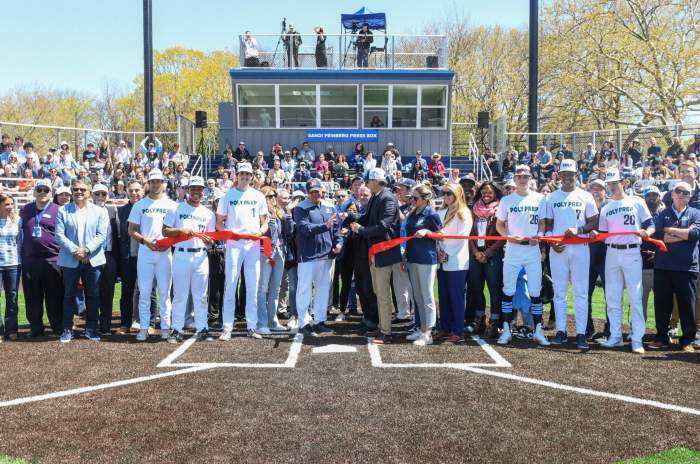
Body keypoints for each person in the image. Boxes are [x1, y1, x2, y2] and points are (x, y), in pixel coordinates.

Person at [594, 168, 654, 353]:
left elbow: (650, 224)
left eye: (615, 183)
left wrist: (647, 233)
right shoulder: (606, 208)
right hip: (611, 253)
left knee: (635, 297)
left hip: (631, 252)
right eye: (609, 184)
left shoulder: (637, 201)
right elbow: (604, 235)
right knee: (612, 296)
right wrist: (595, 235)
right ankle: (615, 336)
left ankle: (637, 338)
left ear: (623, 182)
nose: (612, 187)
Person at [542, 159, 599, 350]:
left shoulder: (586, 196)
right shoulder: (551, 198)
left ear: (576, 175)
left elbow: (594, 223)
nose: (567, 178)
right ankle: (561, 331)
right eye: (564, 174)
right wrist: (551, 240)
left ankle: (581, 334)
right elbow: (548, 225)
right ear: (559, 175)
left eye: (570, 174)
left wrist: (579, 229)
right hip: (558, 249)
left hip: (580, 247)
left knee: (581, 292)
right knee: (559, 293)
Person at [495, 165, 550, 346]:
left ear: (530, 178)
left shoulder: (540, 199)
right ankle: (506, 329)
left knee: (535, 291)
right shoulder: (507, 200)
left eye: (525, 176)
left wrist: (540, 236)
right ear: (515, 179)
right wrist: (508, 236)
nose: (522, 179)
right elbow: (499, 225)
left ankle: (538, 330)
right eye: (519, 176)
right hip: (512, 249)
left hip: (532, 250)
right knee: (508, 291)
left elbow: (542, 223)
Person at [348, 168, 402, 344]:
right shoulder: (377, 196)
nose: (365, 184)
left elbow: (384, 226)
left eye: (368, 181)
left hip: (385, 251)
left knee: (383, 293)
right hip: (376, 251)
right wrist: (353, 219)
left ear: (377, 181)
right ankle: (382, 327)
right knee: (379, 292)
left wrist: (361, 230)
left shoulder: (387, 198)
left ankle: (386, 331)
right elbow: (367, 218)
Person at [216, 163, 269, 340]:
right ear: (236, 175)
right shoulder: (227, 196)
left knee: (253, 287)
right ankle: (227, 326)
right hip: (234, 245)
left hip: (253, 245)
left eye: (248, 174)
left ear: (252, 176)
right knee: (230, 284)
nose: (245, 177)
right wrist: (231, 234)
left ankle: (251, 326)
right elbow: (218, 223)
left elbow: (265, 223)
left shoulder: (259, 196)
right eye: (242, 174)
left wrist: (260, 232)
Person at [162, 176, 216, 343]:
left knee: (201, 295)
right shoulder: (176, 209)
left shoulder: (208, 213)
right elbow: (164, 231)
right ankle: (176, 329)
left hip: (200, 255)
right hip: (181, 254)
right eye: (193, 189)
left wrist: (209, 241)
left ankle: (202, 328)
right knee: (180, 295)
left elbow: (212, 239)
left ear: (203, 191)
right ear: (187, 190)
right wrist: (179, 230)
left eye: (199, 189)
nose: (196, 192)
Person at [648, 181, 700, 352]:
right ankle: (661, 337)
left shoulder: (696, 213)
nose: (682, 195)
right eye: (679, 191)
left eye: (686, 192)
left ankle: (687, 340)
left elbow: (694, 234)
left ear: (690, 196)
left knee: (687, 305)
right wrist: (683, 234)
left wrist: (672, 231)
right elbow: (659, 234)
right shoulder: (663, 213)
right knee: (662, 304)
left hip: (687, 268)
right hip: (663, 266)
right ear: (672, 194)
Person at [128, 169, 178, 341]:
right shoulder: (140, 205)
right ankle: (144, 327)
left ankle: (165, 327)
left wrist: (168, 244)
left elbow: (177, 232)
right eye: (153, 181)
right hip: (146, 252)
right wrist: (145, 241)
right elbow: (131, 230)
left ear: (163, 183)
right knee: (145, 292)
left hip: (165, 253)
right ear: (148, 184)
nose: (156, 184)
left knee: (165, 292)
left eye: (159, 181)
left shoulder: (172, 204)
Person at [55, 179, 108, 342]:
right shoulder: (63, 210)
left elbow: (101, 235)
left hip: (92, 259)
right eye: (76, 189)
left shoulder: (99, 211)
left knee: (93, 295)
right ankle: (66, 329)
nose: (79, 192)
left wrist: (86, 250)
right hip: (71, 259)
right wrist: (75, 251)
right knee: (69, 295)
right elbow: (59, 235)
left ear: (89, 191)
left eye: (82, 189)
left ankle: (91, 329)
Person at [292, 178, 340, 336]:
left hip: (326, 254)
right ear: (307, 192)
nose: (315, 194)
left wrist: (338, 242)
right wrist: (324, 226)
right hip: (307, 254)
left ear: (322, 191)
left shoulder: (329, 206)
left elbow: (336, 230)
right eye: (312, 191)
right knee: (304, 289)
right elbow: (304, 228)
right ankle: (303, 323)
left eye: (317, 191)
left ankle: (320, 320)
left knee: (323, 289)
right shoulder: (300, 208)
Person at [20, 180, 64, 337]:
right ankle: (36, 327)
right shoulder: (25, 210)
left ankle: (57, 326)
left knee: (54, 295)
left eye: (46, 189)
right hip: (30, 260)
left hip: (53, 259)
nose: (42, 192)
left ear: (51, 193)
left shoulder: (59, 210)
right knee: (32, 296)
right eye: (39, 189)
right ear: (34, 192)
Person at [403, 183, 443, 346]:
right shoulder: (413, 212)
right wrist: (405, 255)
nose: (411, 200)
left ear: (425, 199)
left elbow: (441, 235)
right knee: (417, 295)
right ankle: (421, 327)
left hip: (427, 258)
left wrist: (427, 232)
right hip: (413, 257)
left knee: (427, 295)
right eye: (411, 197)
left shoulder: (431, 214)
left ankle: (428, 332)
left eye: (415, 198)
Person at [435, 182, 472, 342]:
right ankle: (445, 327)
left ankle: (458, 330)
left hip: (457, 260)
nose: (446, 196)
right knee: (443, 296)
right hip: (441, 260)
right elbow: (436, 234)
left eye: (449, 193)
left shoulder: (464, 212)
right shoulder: (441, 211)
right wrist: (439, 252)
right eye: (444, 193)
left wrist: (446, 252)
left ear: (458, 193)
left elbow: (462, 238)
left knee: (456, 296)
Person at [468, 182, 505, 338]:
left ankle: (495, 322)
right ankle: (479, 319)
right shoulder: (473, 210)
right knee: (476, 288)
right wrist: (476, 252)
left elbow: (503, 236)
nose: (486, 195)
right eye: (483, 192)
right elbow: (468, 234)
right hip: (475, 254)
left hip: (493, 254)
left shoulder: (501, 209)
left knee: (494, 289)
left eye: (489, 192)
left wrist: (488, 253)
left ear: (495, 193)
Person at [256, 187, 292, 334]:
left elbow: (288, 231)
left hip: (279, 251)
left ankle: (272, 321)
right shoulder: (259, 213)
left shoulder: (277, 213)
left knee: (275, 289)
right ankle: (262, 322)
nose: (271, 198)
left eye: (273, 196)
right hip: (265, 252)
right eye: (268, 196)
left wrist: (287, 215)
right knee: (263, 288)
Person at [93, 184, 120, 336]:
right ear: (92, 195)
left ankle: (105, 326)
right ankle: (91, 325)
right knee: (92, 291)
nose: (101, 196)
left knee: (108, 292)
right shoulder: (87, 210)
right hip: (92, 255)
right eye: (98, 193)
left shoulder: (112, 210)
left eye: (103, 193)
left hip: (108, 255)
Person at [0, 193, 21, 342]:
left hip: (13, 264)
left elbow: (20, 242)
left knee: (12, 297)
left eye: (11, 204)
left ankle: (12, 329)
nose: (10, 207)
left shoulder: (17, 220)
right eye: (7, 204)